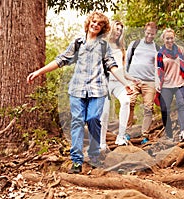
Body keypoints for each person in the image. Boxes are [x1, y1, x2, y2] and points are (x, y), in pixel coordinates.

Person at [27, 11, 132, 174]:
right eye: (94, 21)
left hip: (97, 90)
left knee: (93, 119)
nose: (96, 25)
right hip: (77, 90)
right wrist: (39, 72)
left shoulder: (104, 46)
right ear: (89, 22)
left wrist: (125, 83)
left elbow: (112, 66)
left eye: (100, 24)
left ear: (103, 28)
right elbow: (60, 60)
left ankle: (95, 153)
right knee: (77, 122)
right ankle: (76, 161)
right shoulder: (78, 42)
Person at [125, 22, 159, 138]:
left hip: (149, 82)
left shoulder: (157, 48)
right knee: (129, 103)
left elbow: (158, 67)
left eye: (152, 34)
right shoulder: (135, 44)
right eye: (148, 33)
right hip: (133, 80)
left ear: (155, 34)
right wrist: (126, 78)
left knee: (148, 108)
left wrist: (158, 82)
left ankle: (145, 135)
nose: (150, 36)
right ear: (145, 31)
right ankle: (126, 132)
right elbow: (127, 61)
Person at [100, 20, 131, 149]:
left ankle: (121, 136)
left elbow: (123, 70)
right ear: (112, 29)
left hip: (119, 83)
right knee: (105, 112)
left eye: (120, 30)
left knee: (126, 102)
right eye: (117, 29)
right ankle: (102, 143)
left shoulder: (122, 49)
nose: (118, 32)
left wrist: (131, 80)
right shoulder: (103, 45)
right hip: (105, 82)